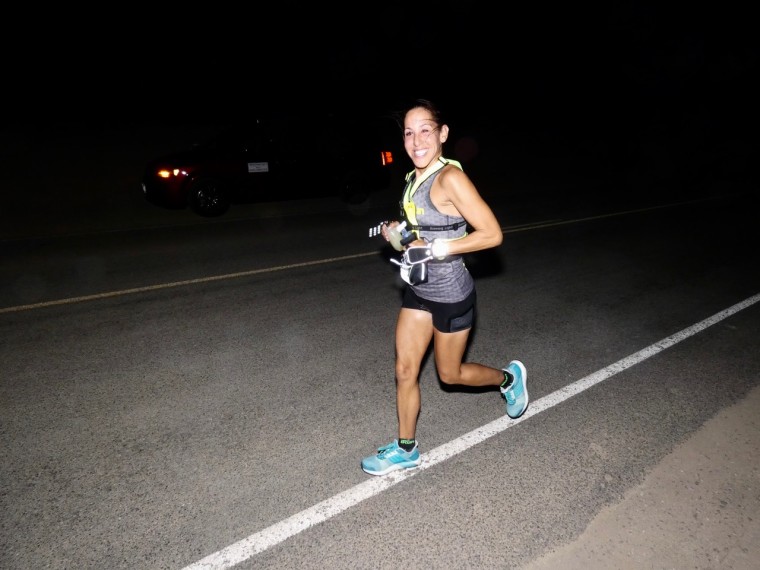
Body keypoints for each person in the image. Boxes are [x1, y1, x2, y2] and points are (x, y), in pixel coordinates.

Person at [361, 99, 528, 476]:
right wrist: (398, 236)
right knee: (405, 370)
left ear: (442, 134)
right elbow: (421, 232)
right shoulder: (411, 179)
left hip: (452, 294)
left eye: (425, 130)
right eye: (408, 132)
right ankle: (406, 449)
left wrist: (442, 247)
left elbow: (492, 233)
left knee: (449, 374)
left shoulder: (450, 178)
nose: (416, 140)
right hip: (419, 289)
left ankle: (509, 378)